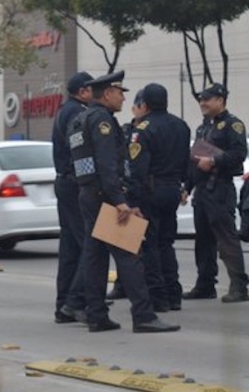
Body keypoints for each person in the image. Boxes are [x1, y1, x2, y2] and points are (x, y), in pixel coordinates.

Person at [67, 71, 179, 333]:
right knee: (130, 255)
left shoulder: (80, 120)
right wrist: (120, 200)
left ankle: (96, 315)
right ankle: (143, 316)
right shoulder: (102, 121)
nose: (122, 97)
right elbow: (107, 165)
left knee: (95, 257)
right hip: (106, 197)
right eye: (120, 91)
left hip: (87, 194)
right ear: (107, 94)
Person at [124, 83, 191, 312]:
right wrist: (184, 186)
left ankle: (158, 297)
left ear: (145, 105)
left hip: (150, 192)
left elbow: (137, 170)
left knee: (150, 244)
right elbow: (186, 162)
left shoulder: (142, 130)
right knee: (166, 243)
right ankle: (174, 294)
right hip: (173, 189)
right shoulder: (181, 126)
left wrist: (132, 201)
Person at [182, 83, 248, 303]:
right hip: (202, 191)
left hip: (220, 189)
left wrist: (214, 160)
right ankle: (205, 285)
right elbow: (194, 161)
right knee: (203, 241)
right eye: (201, 99)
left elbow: (239, 154)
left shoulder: (233, 125)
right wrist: (187, 188)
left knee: (226, 239)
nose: (203, 103)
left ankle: (239, 286)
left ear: (220, 100)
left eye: (207, 99)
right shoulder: (203, 127)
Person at [52, 71, 93, 324]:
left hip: (64, 182)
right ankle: (75, 302)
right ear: (82, 91)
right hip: (75, 184)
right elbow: (79, 151)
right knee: (89, 245)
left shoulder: (64, 110)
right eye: (91, 89)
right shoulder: (78, 113)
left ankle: (63, 304)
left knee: (70, 247)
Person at [107, 90, 151, 301]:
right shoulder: (125, 130)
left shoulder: (145, 131)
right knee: (127, 246)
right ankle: (123, 287)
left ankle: (141, 294)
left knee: (135, 247)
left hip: (140, 191)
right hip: (126, 192)